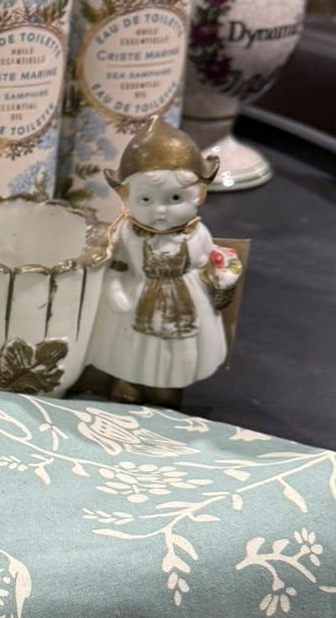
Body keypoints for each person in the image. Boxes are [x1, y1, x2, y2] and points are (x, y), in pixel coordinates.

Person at [90, 117, 241, 405]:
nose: (160, 211)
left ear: (200, 194)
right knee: (130, 344)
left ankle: (169, 385)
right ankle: (127, 379)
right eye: (146, 200)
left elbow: (211, 260)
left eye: (174, 198)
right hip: (136, 293)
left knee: (177, 348)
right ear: (126, 197)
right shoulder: (127, 233)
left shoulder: (196, 234)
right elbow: (116, 265)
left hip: (184, 299)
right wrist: (114, 289)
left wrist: (222, 275)